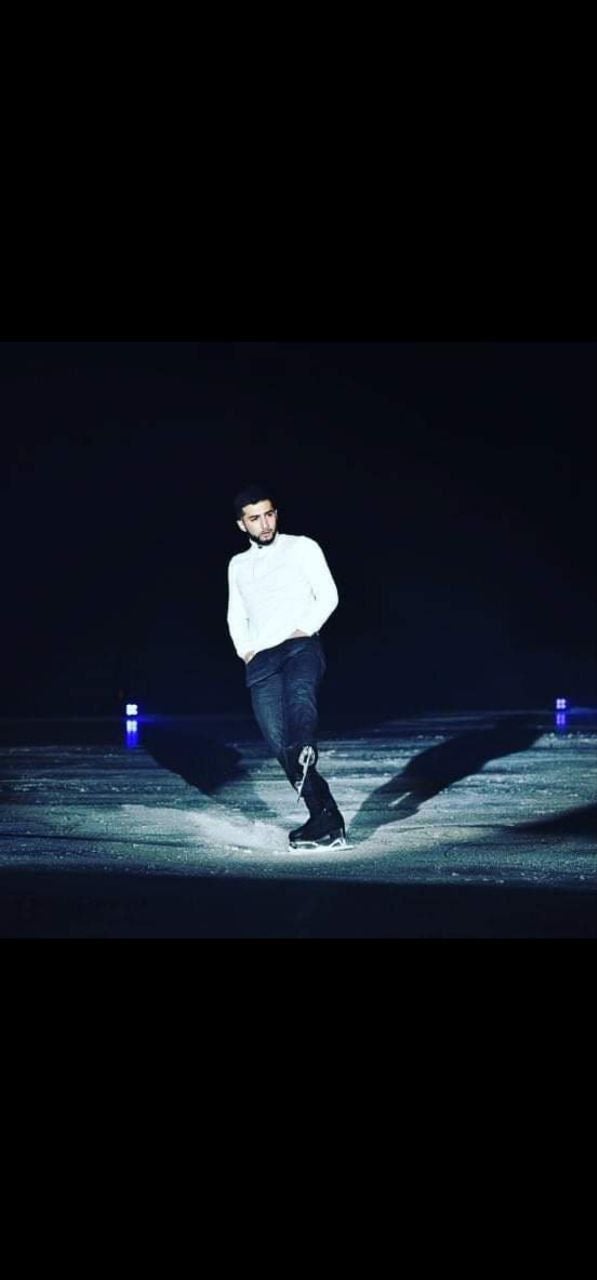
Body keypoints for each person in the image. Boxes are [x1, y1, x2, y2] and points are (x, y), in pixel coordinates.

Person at [227, 482, 346, 849]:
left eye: (269, 515)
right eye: (255, 519)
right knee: (278, 743)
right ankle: (325, 817)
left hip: (299, 647)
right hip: (261, 661)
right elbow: (236, 614)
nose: (265, 524)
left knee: (299, 704)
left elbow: (328, 595)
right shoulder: (238, 565)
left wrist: (302, 630)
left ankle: (306, 745)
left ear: (276, 514)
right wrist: (246, 651)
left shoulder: (302, 547)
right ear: (242, 525)